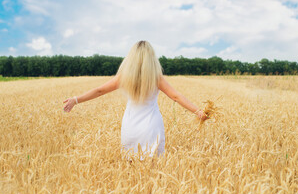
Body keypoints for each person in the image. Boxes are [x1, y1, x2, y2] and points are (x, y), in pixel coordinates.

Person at [63, 40, 207, 158]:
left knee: (131, 171)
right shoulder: (156, 78)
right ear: (152, 58)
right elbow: (176, 96)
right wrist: (198, 111)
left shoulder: (124, 77)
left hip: (130, 127)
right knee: (154, 172)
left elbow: (99, 91)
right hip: (151, 128)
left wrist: (76, 100)